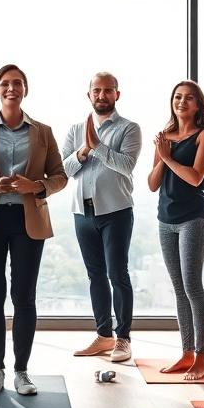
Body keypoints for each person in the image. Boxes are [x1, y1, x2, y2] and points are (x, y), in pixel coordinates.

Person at [0, 64, 67, 396]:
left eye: (17, 83)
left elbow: (59, 176)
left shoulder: (43, 132)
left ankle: (21, 372)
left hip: (27, 221)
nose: (11, 88)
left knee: (24, 297)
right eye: (5, 83)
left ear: (25, 90)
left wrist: (36, 185)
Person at [63, 72, 142, 363]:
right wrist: (83, 151)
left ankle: (123, 338)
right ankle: (104, 335)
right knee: (94, 275)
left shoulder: (129, 128)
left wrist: (98, 146)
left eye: (108, 90)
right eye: (97, 90)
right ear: (89, 95)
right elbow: (64, 170)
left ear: (117, 95)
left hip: (116, 211)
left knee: (117, 274)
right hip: (82, 212)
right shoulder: (74, 130)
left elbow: (126, 165)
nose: (102, 95)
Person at [147, 81, 204, 380]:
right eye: (178, 97)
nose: (182, 102)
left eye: (189, 98)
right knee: (178, 289)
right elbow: (152, 184)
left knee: (192, 286)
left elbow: (195, 177)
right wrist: (163, 156)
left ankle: (201, 358)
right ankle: (186, 353)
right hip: (166, 219)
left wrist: (167, 158)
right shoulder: (164, 137)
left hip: (193, 218)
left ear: (198, 104)